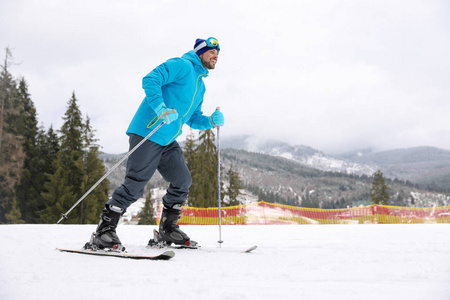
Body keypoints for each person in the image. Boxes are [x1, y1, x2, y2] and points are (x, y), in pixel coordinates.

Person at [92, 37, 224, 250]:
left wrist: (209, 121)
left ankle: (167, 230)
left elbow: (192, 117)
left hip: (167, 139)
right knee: (135, 185)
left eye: (218, 52)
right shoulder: (181, 65)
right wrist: (160, 107)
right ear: (200, 52)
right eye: (211, 51)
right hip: (148, 131)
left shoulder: (200, 86)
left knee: (182, 181)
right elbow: (150, 79)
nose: (216, 55)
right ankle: (104, 231)